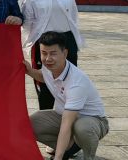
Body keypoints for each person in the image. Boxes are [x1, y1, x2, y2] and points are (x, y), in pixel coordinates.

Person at [24, 31, 108, 160]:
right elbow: (44, 76)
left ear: (65, 53)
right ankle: (69, 147)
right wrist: (30, 71)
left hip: (92, 121)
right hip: (63, 115)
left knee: (82, 128)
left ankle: (88, 156)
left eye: (53, 53)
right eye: (44, 53)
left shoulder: (76, 83)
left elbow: (66, 124)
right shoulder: (49, 68)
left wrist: (57, 158)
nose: (48, 58)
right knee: (30, 124)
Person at [19, 0, 86, 110]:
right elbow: (26, 22)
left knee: (68, 81)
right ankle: (46, 117)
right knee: (45, 83)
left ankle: (68, 116)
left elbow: (73, 16)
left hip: (67, 41)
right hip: (43, 43)